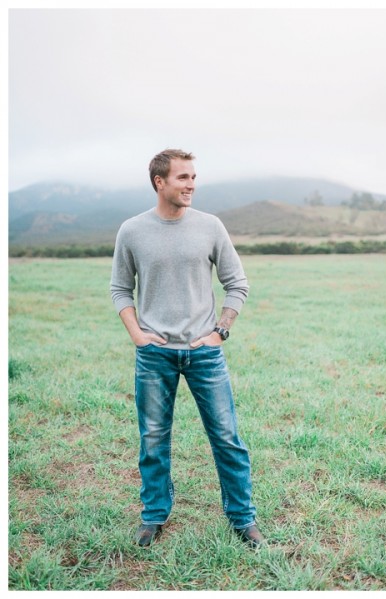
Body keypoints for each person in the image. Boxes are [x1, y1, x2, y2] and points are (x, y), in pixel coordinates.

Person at [110, 149, 264, 548]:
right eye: (182, 178)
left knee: (227, 436)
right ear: (159, 182)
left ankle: (243, 519)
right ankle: (153, 516)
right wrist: (137, 334)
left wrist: (220, 331)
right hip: (154, 354)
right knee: (154, 439)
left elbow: (237, 284)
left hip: (204, 353)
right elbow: (120, 289)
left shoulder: (210, 226)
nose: (191, 184)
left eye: (193, 177)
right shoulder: (132, 230)